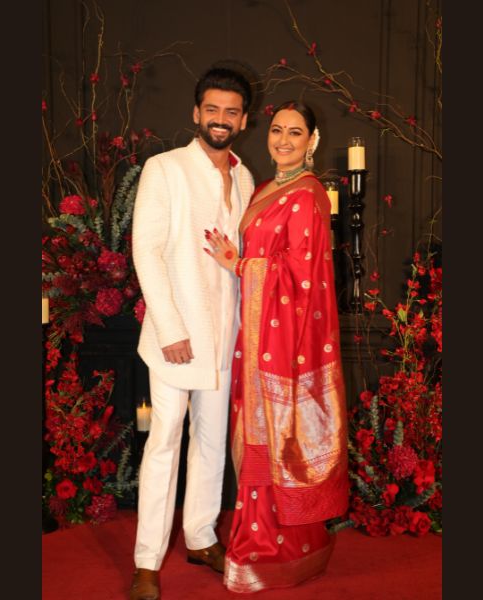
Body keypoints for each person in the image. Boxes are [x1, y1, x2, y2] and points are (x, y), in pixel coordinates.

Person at [204, 100, 349, 593]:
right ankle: (264, 540)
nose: (283, 140)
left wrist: (238, 265)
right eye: (277, 130)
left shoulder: (308, 195)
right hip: (255, 334)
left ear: (312, 141)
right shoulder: (266, 188)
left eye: (295, 132)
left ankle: (274, 549)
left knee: (275, 433)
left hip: (284, 342)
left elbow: (301, 276)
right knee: (254, 433)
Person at [129, 66, 256, 600]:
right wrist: (170, 328)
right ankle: (146, 561)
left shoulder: (245, 178)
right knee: (164, 442)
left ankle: (201, 537)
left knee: (211, 441)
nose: (220, 119)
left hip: (225, 335)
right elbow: (146, 250)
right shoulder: (165, 168)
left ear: (243, 120)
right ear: (196, 113)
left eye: (231, 112)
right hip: (175, 338)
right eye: (212, 109)